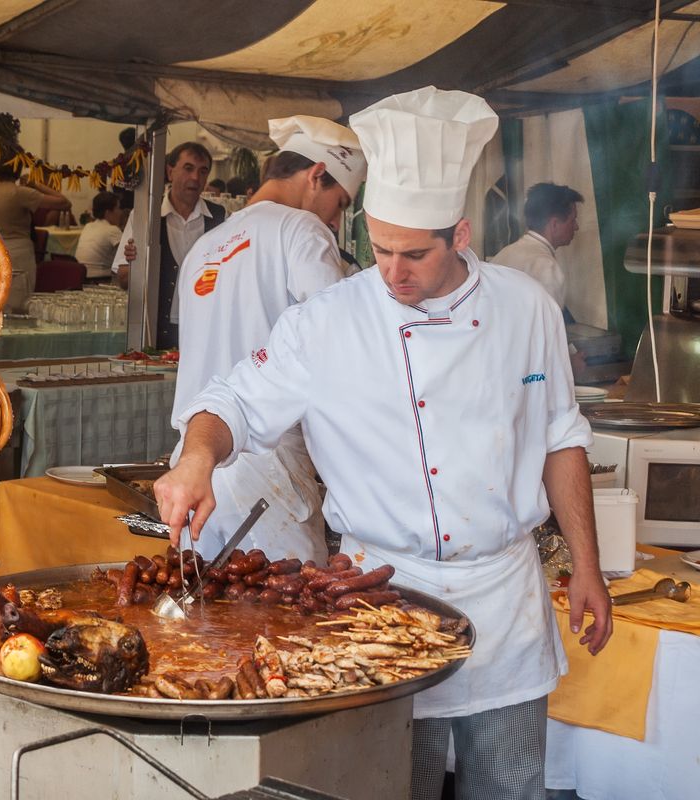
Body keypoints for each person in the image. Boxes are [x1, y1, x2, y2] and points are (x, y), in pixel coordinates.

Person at [153, 87, 611, 800]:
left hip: (504, 599)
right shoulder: (330, 319)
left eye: (414, 255)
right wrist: (196, 457)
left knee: (511, 789)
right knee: (391, 786)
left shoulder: (527, 309)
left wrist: (588, 565)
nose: (392, 272)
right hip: (380, 603)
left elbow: (561, 439)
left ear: (460, 235)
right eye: (380, 246)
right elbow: (232, 401)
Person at [172, 115, 366, 563]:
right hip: (269, 466)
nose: (336, 219)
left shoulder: (204, 247)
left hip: (194, 463)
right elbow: (337, 345)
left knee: (203, 622)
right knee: (286, 621)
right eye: (340, 203)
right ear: (318, 175)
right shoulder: (302, 230)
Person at [111, 142, 227, 348]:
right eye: (188, 168)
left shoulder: (220, 217)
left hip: (205, 330)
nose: (195, 178)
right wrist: (139, 263)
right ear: (170, 171)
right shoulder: (144, 216)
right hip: (158, 332)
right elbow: (123, 278)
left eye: (203, 171)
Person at [0, 146, 72, 313]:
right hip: (18, 254)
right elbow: (64, 203)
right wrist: (35, 184)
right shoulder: (20, 192)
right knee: (18, 306)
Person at [493, 182, 584, 311]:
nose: (576, 227)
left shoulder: (505, 253)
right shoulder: (546, 267)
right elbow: (546, 327)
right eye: (573, 220)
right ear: (554, 225)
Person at [74, 191, 125, 280]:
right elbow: (130, 254)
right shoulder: (112, 230)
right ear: (108, 212)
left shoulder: (88, 226)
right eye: (118, 208)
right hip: (101, 280)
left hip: (79, 277)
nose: (121, 212)